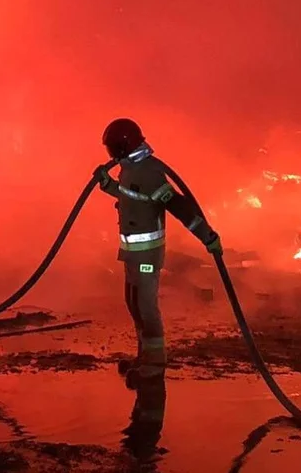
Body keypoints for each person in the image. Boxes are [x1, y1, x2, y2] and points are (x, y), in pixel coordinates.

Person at [93, 118, 221, 378]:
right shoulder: (129, 169)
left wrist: (207, 236)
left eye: (112, 148)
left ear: (123, 146)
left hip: (147, 256)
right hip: (131, 254)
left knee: (146, 306)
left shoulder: (151, 172)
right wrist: (108, 186)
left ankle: (155, 362)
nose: (110, 154)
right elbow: (133, 197)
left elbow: (180, 208)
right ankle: (144, 356)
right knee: (133, 303)